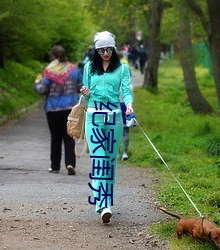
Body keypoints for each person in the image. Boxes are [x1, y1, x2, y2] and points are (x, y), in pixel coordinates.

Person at [80, 31, 133, 223]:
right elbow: (86, 97)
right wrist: (85, 92)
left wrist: (128, 104)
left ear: (114, 48)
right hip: (94, 117)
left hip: (114, 119)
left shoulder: (122, 68)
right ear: (96, 50)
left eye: (109, 49)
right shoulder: (88, 68)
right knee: (99, 159)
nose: (105, 53)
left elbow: (126, 90)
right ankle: (103, 204)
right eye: (101, 50)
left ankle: (105, 203)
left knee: (110, 162)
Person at [34, 45, 83, 175]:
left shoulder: (49, 71)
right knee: (69, 137)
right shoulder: (74, 70)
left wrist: (37, 83)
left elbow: (42, 90)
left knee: (55, 138)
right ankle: (70, 163)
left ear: (53, 57)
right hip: (70, 109)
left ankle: (55, 166)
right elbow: (81, 87)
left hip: (53, 109)